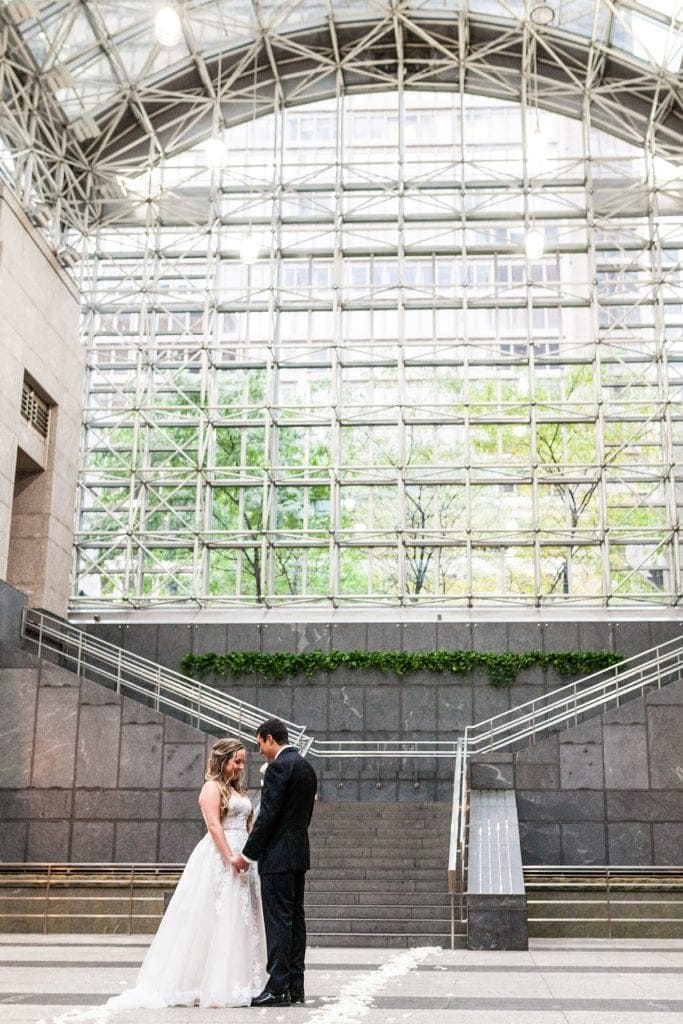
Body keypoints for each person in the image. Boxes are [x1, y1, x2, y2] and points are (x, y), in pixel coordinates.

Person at [106, 737, 267, 1009]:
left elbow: (248, 824)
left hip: (244, 859)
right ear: (222, 761)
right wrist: (230, 857)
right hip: (221, 857)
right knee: (217, 916)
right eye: (236, 761)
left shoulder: (236, 790)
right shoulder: (212, 788)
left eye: (243, 762)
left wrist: (251, 854)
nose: (241, 767)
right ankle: (212, 982)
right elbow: (215, 826)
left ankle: (241, 979)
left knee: (241, 918)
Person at [233, 717, 318, 1008]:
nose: (260, 751)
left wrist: (247, 855)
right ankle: (296, 986)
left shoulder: (278, 767)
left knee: (279, 921)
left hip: (278, 858)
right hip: (298, 854)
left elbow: (267, 817)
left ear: (270, 738)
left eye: (259, 744)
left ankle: (277, 988)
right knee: (296, 921)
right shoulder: (306, 766)